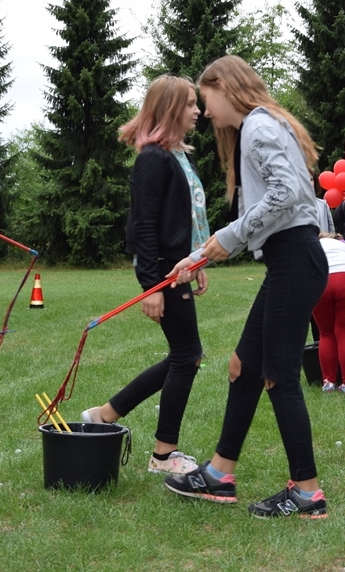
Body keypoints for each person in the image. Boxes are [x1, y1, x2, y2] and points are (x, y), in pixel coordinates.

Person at [164, 55, 329, 519]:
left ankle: (307, 493)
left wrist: (228, 240)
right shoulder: (260, 127)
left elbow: (289, 194)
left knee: (278, 375)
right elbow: (272, 203)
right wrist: (201, 254)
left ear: (225, 86)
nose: (206, 112)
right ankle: (218, 474)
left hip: (296, 259)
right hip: (287, 262)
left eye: (206, 99)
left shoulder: (258, 126)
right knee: (244, 365)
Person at [81, 75, 209, 474]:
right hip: (164, 275)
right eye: (190, 103)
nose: (198, 111)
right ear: (171, 108)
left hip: (179, 269)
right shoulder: (153, 158)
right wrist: (151, 285)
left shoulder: (178, 156)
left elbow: (188, 217)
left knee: (183, 355)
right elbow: (145, 226)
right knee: (187, 356)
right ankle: (163, 456)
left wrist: (198, 260)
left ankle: (104, 414)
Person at [313, 234, 345, 392]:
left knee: (326, 334)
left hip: (319, 281)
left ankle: (328, 382)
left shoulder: (312, 244)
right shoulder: (344, 247)